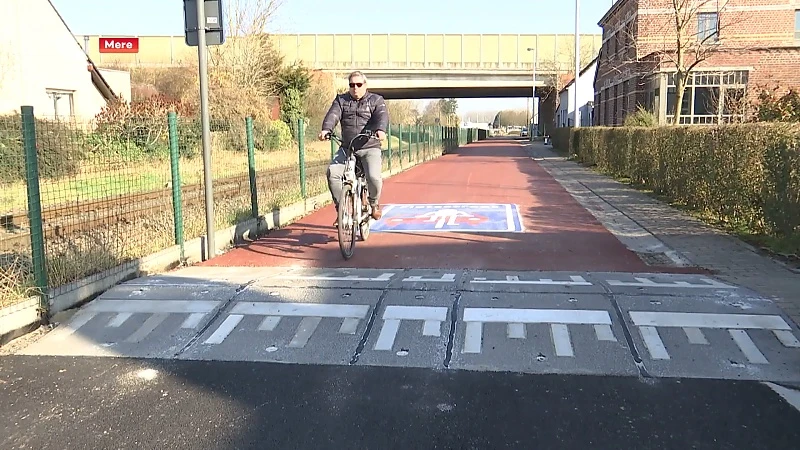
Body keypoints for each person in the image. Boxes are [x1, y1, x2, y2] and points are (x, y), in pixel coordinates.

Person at [319, 71, 388, 224]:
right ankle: (342, 209)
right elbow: (333, 115)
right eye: (352, 85)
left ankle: (373, 203)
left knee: (374, 177)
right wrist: (326, 129)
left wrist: (381, 130)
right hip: (347, 148)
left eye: (358, 84)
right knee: (333, 173)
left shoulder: (376, 100)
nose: (355, 88)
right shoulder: (341, 100)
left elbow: (381, 116)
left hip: (370, 146)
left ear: (365, 85)